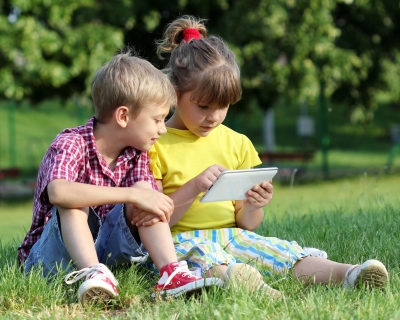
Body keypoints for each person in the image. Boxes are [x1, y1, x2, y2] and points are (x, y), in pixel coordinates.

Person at [131, 16, 389, 298]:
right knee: (204, 258)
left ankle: (349, 273)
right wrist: (194, 186)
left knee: (278, 252)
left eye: (224, 106)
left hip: (232, 236)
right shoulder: (154, 144)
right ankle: (245, 282)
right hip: (176, 243)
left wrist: (254, 205)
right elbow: (156, 222)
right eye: (204, 106)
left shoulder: (237, 143)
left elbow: (248, 223)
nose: (214, 117)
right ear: (174, 93)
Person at [17, 49, 222, 306]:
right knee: (75, 199)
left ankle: (171, 274)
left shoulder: (136, 154)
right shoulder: (71, 142)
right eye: (158, 119)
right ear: (123, 116)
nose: (162, 128)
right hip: (50, 259)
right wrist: (131, 194)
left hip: (108, 253)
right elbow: (58, 192)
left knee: (146, 196)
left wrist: (144, 197)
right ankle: (92, 272)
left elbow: (145, 202)